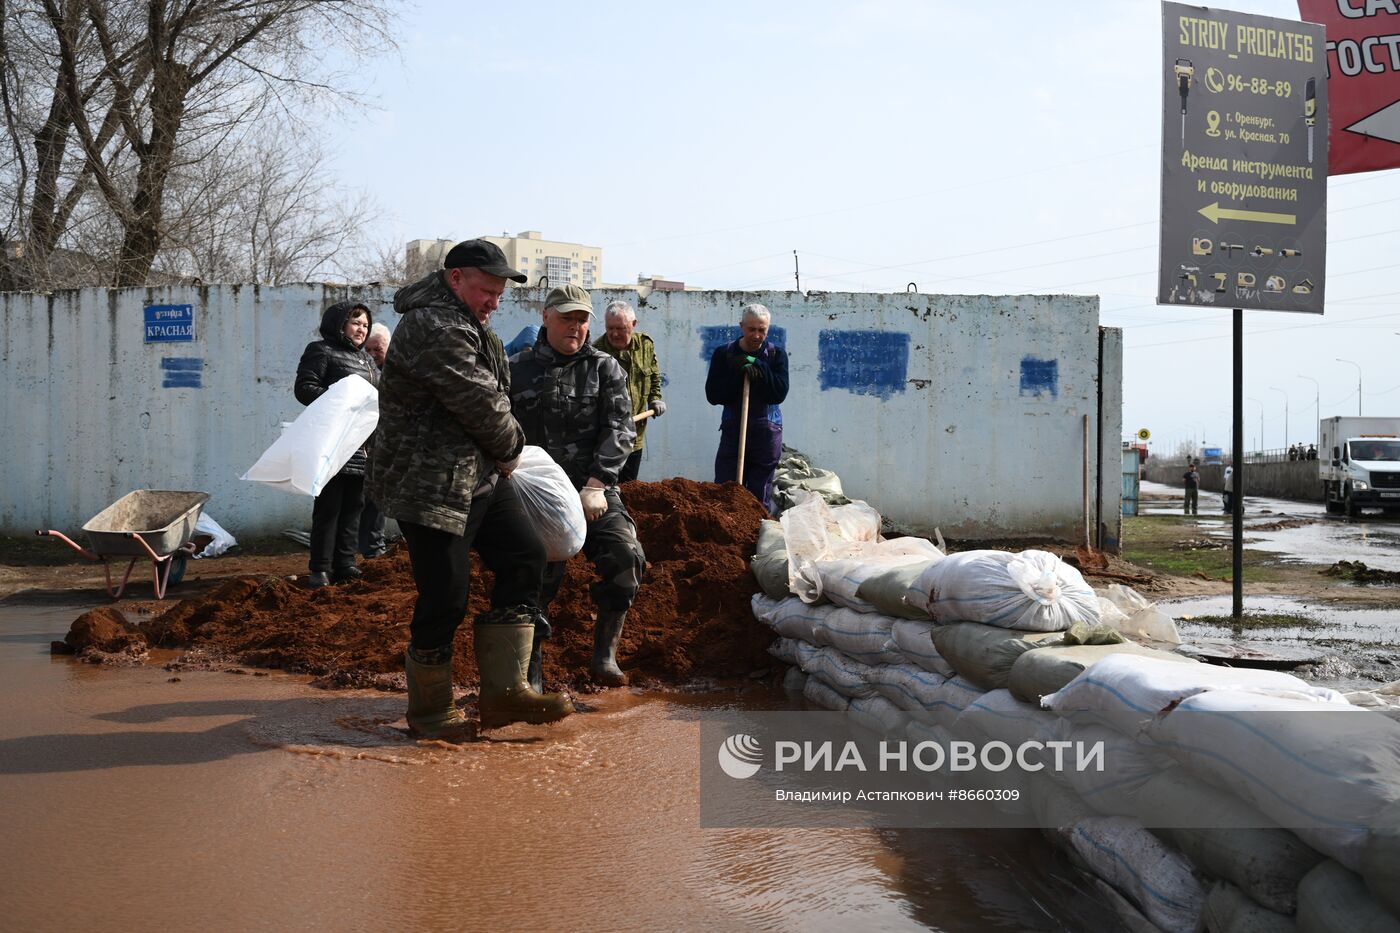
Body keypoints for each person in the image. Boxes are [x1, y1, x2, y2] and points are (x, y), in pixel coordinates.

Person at [367, 239, 571, 738]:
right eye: (486, 291)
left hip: (476, 476)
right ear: (455, 278)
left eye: (499, 295)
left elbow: (494, 397)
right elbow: (481, 403)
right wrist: (512, 449)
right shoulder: (433, 327)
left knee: (525, 557)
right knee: (446, 597)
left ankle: (504, 696)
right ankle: (431, 712)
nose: (493, 303)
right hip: (430, 485)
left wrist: (503, 453)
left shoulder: (469, 324)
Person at [510, 284, 645, 688]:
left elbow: (621, 430)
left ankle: (604, 655)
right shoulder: (516, 368)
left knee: (626, 556)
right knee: (530, 582)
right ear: (546, 316)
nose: (576, 326)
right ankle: (530, 678)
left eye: (582, 319)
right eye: (567, 317)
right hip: (535, 496)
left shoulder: (605, 368)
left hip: (593, 490)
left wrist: (598, 482)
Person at [295, 301, 378, 587]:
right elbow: (305, 389)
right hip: (332, 443)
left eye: (365, 325)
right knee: (329, 507)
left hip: (362, 444)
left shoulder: (367, 360)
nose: (361, 329)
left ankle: (345, 564)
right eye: (356, 322)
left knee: (355, 505)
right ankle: (319, 568)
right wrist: (340, 402)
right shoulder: (320, 351)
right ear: (339, 323)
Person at [705, 304, 789, 513]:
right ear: (742, 326)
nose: (757, 335)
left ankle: (755, 534)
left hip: (767, 432)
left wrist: (760, 367)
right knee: (726, 487)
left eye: (762, 330)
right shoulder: (724, 354)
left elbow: (779, 393)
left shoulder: (776, 355)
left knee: (759, 491)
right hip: (734, 428)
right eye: (752, 329)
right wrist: (736, 373)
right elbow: (713, 395)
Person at [593, 300, 664, 482]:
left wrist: (655, 398)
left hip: (636, 435)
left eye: (621, 328)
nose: (615, 334)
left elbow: (654, 375)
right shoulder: (596, 353)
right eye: (610, 328)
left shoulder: (645, 345)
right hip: (607, 439)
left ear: (633, 324)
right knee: (606, 488)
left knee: (629, 488)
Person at [359, 322, 392, 559]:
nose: (371, 355)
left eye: (377, 350)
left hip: (386, 445)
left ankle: (374, 549)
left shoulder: (398, 372)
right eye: (367, 350)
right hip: (360, 446)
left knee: (377, 501)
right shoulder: (357, 371)